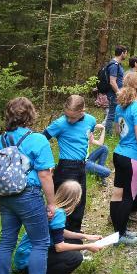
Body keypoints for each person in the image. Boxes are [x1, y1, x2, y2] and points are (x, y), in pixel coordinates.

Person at [0, 97, 64, 274]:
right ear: (30, 114)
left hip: (6, 197)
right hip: (28, 195)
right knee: (40, 242)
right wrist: (51, 203)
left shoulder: (0, 140)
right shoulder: (38, 140)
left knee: (6, 242)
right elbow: (44, 174)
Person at [14, 181, 102, 274]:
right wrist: (88, 246)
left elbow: (60, 232)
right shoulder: (59, 214)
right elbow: (59, 247)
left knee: (76, 241)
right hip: (28, 261)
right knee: (75, 258)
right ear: (75, 199)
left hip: (26, 256)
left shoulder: (52, 208)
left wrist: (85, 236)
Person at [43, 95, 97, 237]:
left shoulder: (91, 120)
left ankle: (75, 240)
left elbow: (87, 138)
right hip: (66, 168)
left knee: (79, 203)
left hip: (81, 167)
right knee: (64, 206)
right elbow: (41, 140)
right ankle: (57, 239)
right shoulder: (60, 123)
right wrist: (46, 163)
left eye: (73, 117)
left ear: (82, 111)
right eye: (67, 116)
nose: (69, 120)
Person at [110, 72, 137, 246]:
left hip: (119, 152)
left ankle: (118, 233)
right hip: (134, 157)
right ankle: (122, 234)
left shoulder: (120, 106)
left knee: (117, 194)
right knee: (128, 196)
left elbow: (117, 131)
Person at [103, 45, 128, 133]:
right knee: (112, 114)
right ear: (122, 53)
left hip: (116, 93)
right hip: (114, 94)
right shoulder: (114, 65)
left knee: (115, 113)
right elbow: (112, 81)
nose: (126, 55)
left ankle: (114, 131)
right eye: (125, 53)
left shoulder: (117, 64)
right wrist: (118, 92)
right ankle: (108, 133)